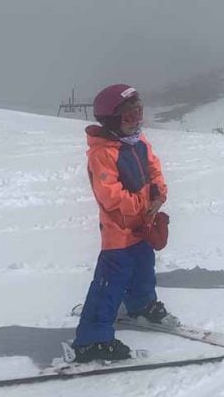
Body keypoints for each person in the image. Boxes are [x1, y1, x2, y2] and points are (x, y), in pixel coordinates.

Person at [71, 84, 176, 362]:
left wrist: (158, 193)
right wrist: (143, 205)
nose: (137, 121)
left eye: (139, 113)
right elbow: (111, 197)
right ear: (111, 121)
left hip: (143, 224)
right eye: (129, 116)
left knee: (144, 267)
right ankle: (91, 340)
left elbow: (155, 170)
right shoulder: (102, 154)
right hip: (119, 231)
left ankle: (140, 305)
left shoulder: (139, 143)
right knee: (110, 283)